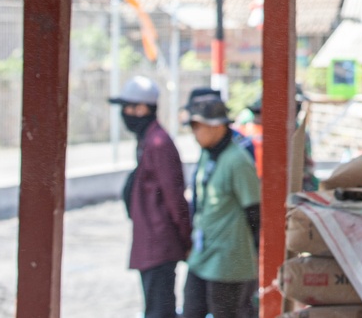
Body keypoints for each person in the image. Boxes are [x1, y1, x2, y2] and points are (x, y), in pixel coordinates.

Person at [109, 76, 191, 318]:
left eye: (128, 108)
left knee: (159, 310)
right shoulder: (148, 141)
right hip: (151, 242)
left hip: (159, 244)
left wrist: (185, 239)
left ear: (142, 109)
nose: (125, 114)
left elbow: (174, 197)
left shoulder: (158, 143)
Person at [181, 94, 261, 318]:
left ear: (216, 127)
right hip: (202, 253)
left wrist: (254, 252)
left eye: (198, 126)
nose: (195, 133)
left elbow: (254, 211)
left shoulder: (238, 160)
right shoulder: (208, 154)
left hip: (228, 260)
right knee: (191, 310)